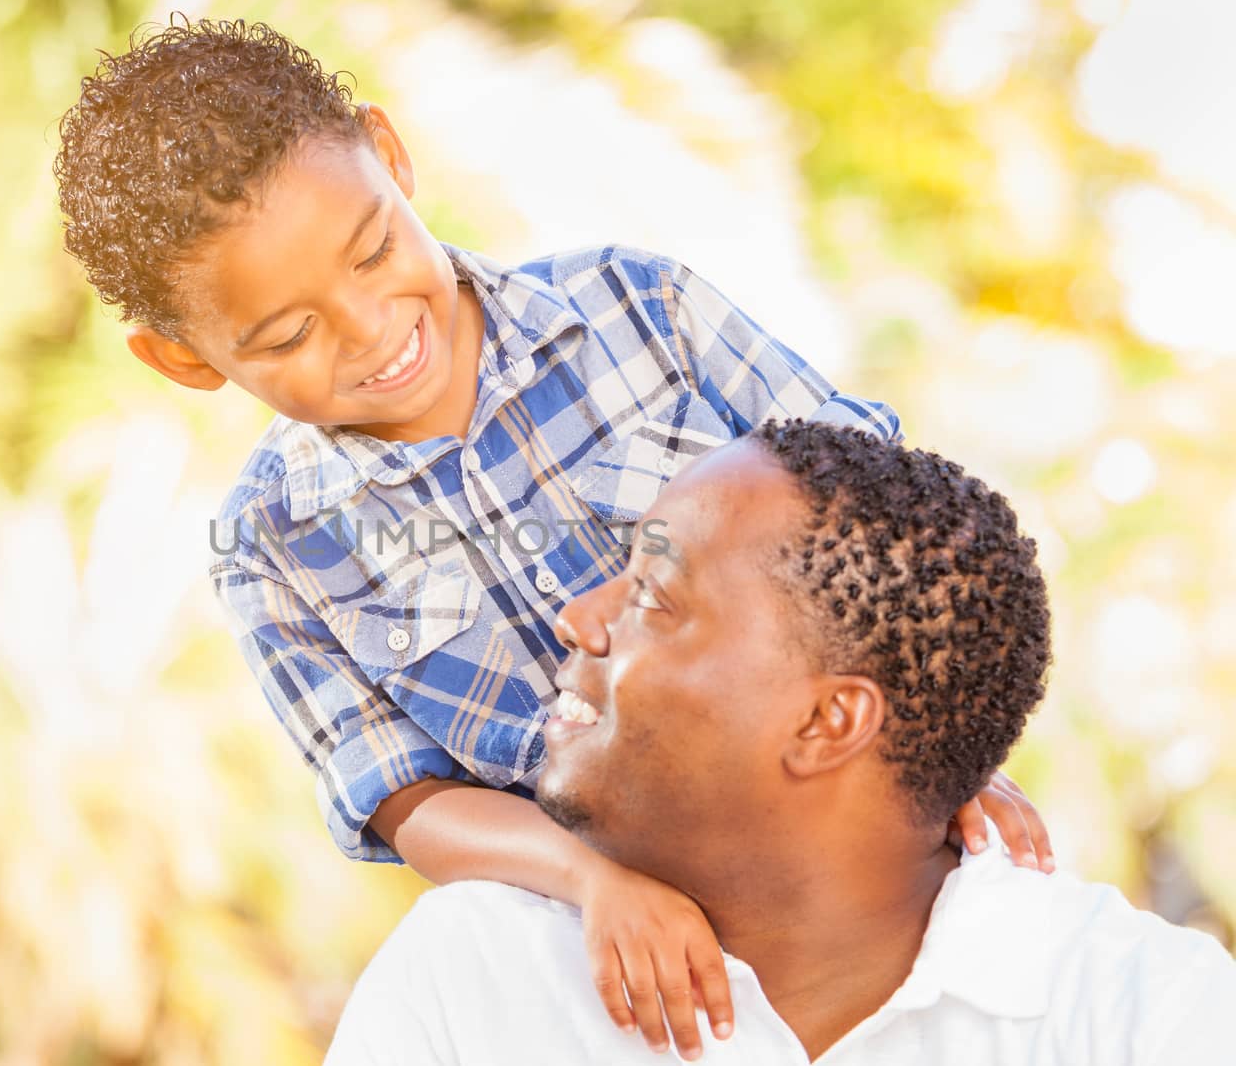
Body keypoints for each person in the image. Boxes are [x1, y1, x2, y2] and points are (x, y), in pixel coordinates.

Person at [52, 18, 1057, 1059]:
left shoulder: (642, 309)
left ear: (390, 158)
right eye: (290, 334)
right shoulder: (274, 548)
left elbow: (884, 541)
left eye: (374, 249)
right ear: (180, 357)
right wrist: (592, 881)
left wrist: (930, 765)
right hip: (614, 971)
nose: (367, 328)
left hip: (840, 881)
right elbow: (404, 798)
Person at [325, 420, 1236, 1065]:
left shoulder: (1153, 1017)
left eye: (652, 597)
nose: (578, 619)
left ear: (826, 722)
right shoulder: (473, 974)